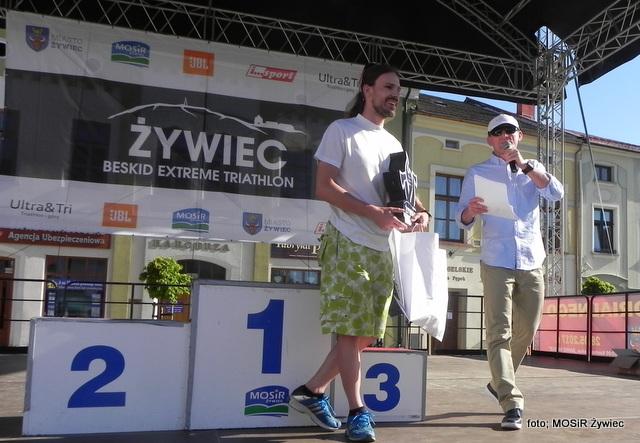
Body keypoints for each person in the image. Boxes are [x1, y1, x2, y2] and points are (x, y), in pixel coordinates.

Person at [288, 63, 430, 442]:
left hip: (383, 247)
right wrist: (371, 212)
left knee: (367, 333)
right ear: (367, 90)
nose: (394, 95)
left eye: (397, 90)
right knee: (351, 332)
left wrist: (422, 213)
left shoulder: (395, 144)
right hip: (347, 240)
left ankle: (313, 390)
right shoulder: (342, 130)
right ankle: (357, 411)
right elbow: (324, 186)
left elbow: (406, 194)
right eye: (387, 87)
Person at [455, 114, 564, 430]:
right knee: (498, 331)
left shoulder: (532, 168)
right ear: (489, 140)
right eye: (498, 132)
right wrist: (470, 211)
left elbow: (556, 194)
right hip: (496, 259)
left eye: (510, 131)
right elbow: (462, 217)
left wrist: (526, 167)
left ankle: (498, 381)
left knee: (528, 329)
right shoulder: (477, 172)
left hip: (531, 259)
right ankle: (511, 399)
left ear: (519, 137)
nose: (505, 136)